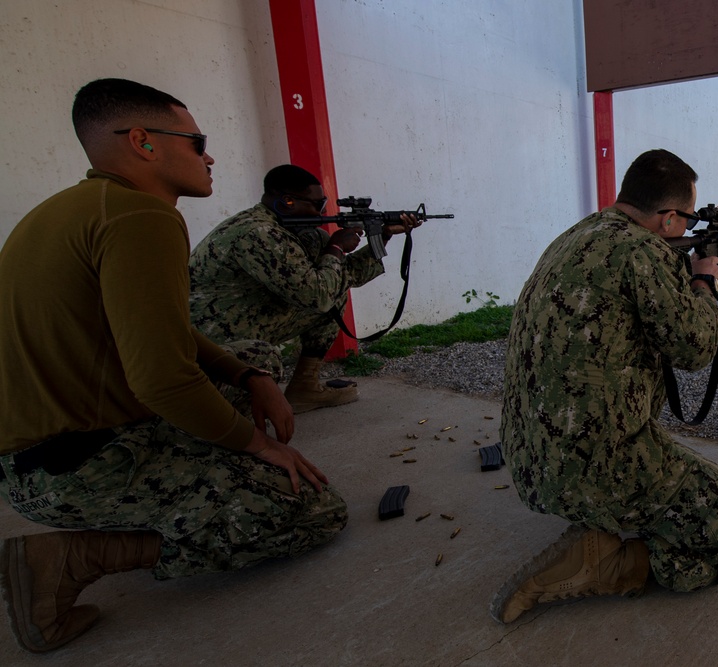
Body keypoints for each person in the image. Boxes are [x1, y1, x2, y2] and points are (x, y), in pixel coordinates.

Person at [0, 78, 346, 653]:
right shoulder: (142, 216)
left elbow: (165, 330)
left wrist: (247, 377)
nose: (208, 156)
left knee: (251, 358)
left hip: (40, 453)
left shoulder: (74, 208)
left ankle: (196, 475)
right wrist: (258, 447)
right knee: (311, 511)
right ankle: (67, 558)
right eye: (196, 140)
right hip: (77, 466)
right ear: (143, 141)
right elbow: (161, 378)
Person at [490, 149, 718, 623]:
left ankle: (602, 519)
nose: (685, 230)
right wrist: (705, 281)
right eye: (684, 220)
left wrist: (706, 260)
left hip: (531, 457)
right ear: (666, 218)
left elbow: (631, 296)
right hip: (593, 464)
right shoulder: (643, 253)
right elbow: (695, 349)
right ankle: (609, 564)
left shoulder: (577, 235)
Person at [188, 164, 419, 413]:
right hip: (208, 335)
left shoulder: (296, 231)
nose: (323, 211)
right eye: (317, 205)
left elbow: (345, 277)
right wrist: (336, 248)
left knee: (335, 292)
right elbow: (317, 296)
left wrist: (383, 236)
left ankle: (304, 387)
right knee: (324, 298)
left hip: (241, 317)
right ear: (288, 202)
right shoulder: (259, 233)